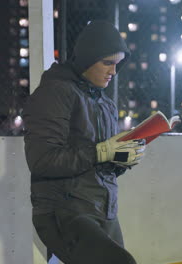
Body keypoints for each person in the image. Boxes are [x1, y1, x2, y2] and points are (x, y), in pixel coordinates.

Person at [23, 21, 146, 264]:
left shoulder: (105, 103)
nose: (113, 71)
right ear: (88, 59)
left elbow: (100, 165)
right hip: (66, 210)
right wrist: (101, 151)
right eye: (107, 62)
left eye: (117, 64)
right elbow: (42, 161)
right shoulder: (55, 93)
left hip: (103, 209)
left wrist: (122, 158)